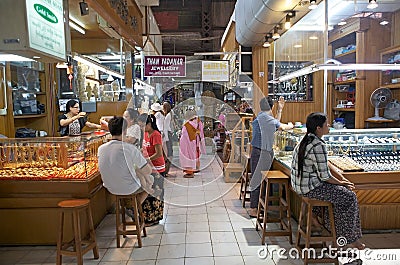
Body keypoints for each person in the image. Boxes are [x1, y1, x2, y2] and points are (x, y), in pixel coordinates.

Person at [291, 112, 365, 250]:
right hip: (311, 189)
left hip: (301, 186)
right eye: (327, 124)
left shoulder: (306, 139)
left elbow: (325, 165)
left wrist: (341, 179)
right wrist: (342, 183)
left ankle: (323, 223)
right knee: (349, 197)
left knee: (338, 195)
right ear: (319, 128)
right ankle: (348, 239)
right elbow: (325, 177)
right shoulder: (318, 145)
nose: (329, 125)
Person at [248, 96, 293, 217]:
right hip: (261, 152)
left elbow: (275, 125)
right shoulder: (265, 118)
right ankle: (253, 208)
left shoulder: (263, 117)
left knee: (258, 178)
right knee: (257, 179)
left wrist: (280, 110)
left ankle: (258, 206)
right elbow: (282, 127)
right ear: (271, 107)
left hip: (260, 152)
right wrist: (291, 125)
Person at [98, 117, 154, 213]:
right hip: (129, 188)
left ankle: (128, 207)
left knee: (134, 174)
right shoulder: (129, 148)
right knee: (152, 180)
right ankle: (134, 207)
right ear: (125, 130)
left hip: (110, 188)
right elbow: (148, 170)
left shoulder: (101, 148)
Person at [142, 114, 165, 226]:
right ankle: (148, 217)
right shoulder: (146, 134)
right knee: (149, 193)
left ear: (149, 124)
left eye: (143, 125)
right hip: (149, 167)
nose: (142, 128)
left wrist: (147, 160)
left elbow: (159, 153)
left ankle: (155, 218)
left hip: (157, 168)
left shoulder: (156, 135)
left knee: (156, 193)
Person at [179, 110, 206, 178]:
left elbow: (185, 133)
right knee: (194, 154)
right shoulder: (197, 121)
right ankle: (196, 168)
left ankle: (190, 172)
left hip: (188, 142)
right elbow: (201, 131)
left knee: (188, 155)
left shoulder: (188, 124)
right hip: (194, 140)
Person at [163, 102, 174, 176]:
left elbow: (166, 127)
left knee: (168, 152)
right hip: (169, 134)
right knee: (169, 152)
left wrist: (165, 138)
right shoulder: (171, 114)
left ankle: (166, 170)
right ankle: (166, 170)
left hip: (167, 135)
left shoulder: (168, 116)